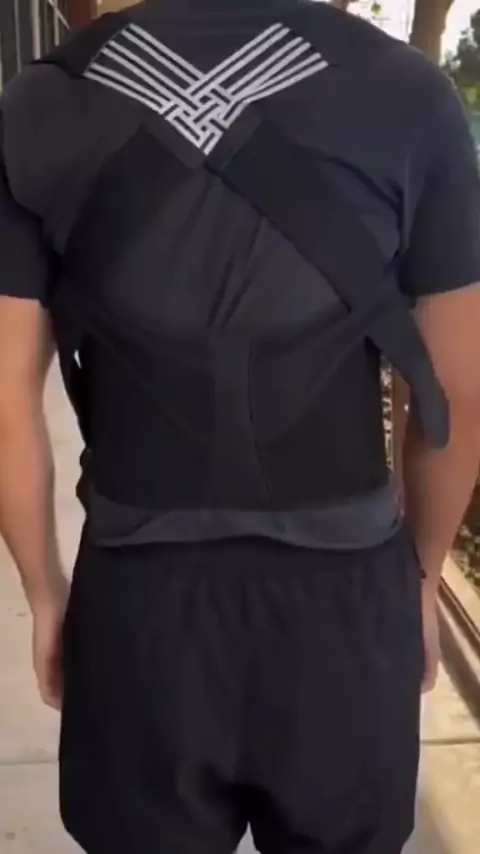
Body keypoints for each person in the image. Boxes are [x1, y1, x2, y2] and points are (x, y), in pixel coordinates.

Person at [1, 1, 480, 852]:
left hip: (141, 601)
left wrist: (45, 591)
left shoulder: (41, 103)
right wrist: (418, 573)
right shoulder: (406, 95)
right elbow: (459, 391)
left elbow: (5, 400)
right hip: (342, 596)